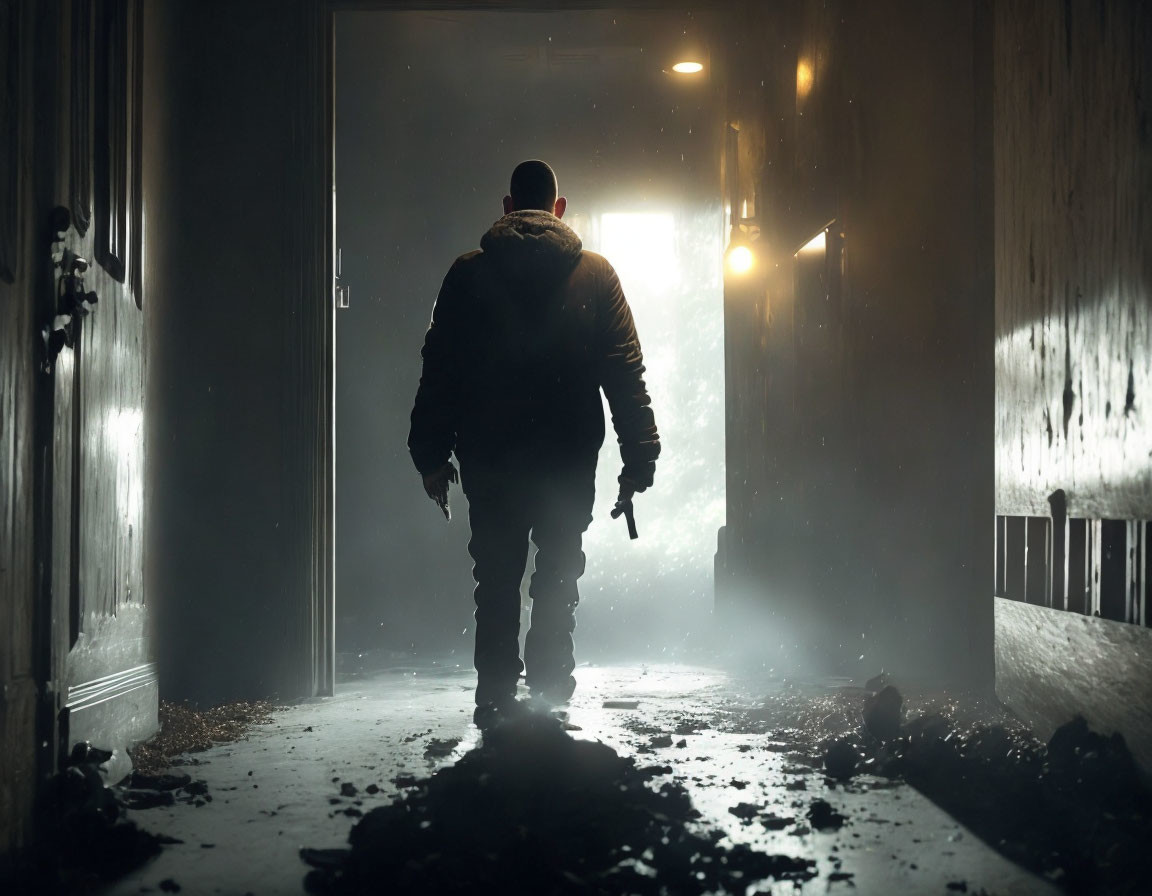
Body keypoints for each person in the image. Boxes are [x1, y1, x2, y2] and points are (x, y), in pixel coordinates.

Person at [408, 160, 660, 729]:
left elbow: (439, 370)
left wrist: (429, 454)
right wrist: (638, 457)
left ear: (506, 207)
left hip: (489, 455)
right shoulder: (595, 275)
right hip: (568, 456)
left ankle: (496, 692)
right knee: (559, 572)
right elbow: (625, 372)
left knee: (495, 577)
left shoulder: (468, 276)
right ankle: (549, 691)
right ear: (558, 207)